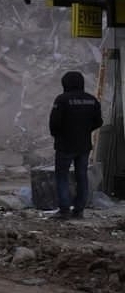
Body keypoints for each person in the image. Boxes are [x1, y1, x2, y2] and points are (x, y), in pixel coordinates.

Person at [48, 71, 103, 219]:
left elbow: (54, 123)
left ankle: (64, 210)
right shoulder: (92, 100)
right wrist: (85, 130)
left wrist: (58, 135)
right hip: (84, 145)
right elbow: (98, 122)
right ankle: (79, 210)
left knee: (62, 176)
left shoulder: (62, 99)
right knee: (82, 176)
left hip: (65, 145)